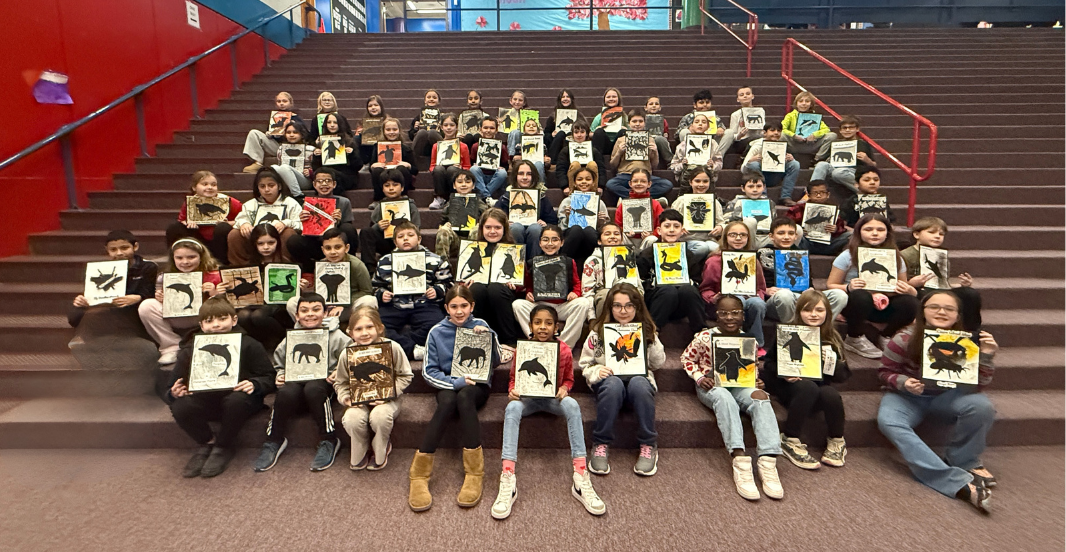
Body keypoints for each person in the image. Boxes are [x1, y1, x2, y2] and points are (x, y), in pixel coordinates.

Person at [877, 290, 999, 513]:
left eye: (949, 308)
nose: (941, 312)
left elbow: (978, 385)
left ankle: (964, 460)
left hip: (947, 397)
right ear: (923, 311)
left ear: (958, 315)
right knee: (889, 421)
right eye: (934, 307)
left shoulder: (968, 341)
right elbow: (884, 372)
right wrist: (904, 382)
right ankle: (956, 482)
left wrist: (987, 356)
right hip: (907, 398)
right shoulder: (904, 338)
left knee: (982, 406)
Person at [491, 305, 605, 520]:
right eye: (537, 322)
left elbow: (569, 379)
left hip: (553, 400)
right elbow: (514, 378)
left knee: (572, 405)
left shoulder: (564, 350)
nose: (543, 327)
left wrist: (565, 388)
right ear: (530, 326)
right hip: (528, 400)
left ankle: (581, 473)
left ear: (556, 327)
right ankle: (507, 475)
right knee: (512, 408)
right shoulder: (522, 350)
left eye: (548, 323)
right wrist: (512, 391)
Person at [681, 294, 784, 501]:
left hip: (740, 385)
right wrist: (699, 377)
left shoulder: (748, 340)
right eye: (724, 313)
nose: (730, 318)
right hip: (712, 385)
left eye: (735, 313)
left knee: (760, 397)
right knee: (724, 399)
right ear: (716, 316)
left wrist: (756, 381)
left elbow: (750, 367)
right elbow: (686, 359)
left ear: (743, 316)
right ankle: (740, 459)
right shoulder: (704, 337)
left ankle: (768, 459)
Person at [408, 285, 502, 512]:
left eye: (464, 306)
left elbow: (497, 361)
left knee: (465, 398)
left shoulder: (482, 324)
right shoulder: (436, 332)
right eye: (454, 306)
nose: (459, 311)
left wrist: (488, 338)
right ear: (446, 308)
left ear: (472, 306)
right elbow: (429, 371)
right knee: (449, 401)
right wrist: (454, 382)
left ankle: (474, 473)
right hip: (448, 383)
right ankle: (419, 473)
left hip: (476, 385)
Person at [166, 297, 276, 478]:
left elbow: (269, 377)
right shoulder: (190, 349)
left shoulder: (250, 344)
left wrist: (255, 384)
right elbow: (170, 386)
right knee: (180, 405)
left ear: (234, 320)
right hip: (205, 401)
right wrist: (174, 392)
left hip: (240, 402)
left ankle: (223, 446)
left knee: (236, 400)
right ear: (201, 326)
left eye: (222, 319)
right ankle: (207, 442)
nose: (216, 325)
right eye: (209, 321)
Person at [253, 292, 354, 473]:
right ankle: (273, 440)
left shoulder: (339, 337)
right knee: (285, 392)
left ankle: (329, 439)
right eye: (304, 310)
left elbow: (350, 361)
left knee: (313, 388)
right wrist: (280, 375)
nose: (310, 314)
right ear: (297, 315)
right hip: (297, 384)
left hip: (323, 387)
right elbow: (279, 363)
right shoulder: (291, 338)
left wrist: (337, 374)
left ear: (325, 313)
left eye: (316, 309)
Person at [578, 283, 665, 476]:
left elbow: (658, 363)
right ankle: (601, 443)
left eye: (629, 306)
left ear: (637, 307)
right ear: (610, 307)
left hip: (637, 383)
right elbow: (585, 363)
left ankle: (648, 444)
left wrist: (652, 337)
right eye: (617, 306)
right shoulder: (597, 332)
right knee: (613, 384)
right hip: (608, 384)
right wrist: (597, 370)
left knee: (640, 383)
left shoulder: (645, 330)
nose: (623, 311)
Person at [762, 289, 851, 469]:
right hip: (789, 387)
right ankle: (790, 438)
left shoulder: (832, 337)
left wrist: (832, 362)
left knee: (831, 394)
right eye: (807, 310)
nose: (813, 314)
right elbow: (768, 364)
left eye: (819, 310)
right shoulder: (786, 332)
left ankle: (836, 440)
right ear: (799, 312)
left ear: (827, 312)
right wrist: (783, 372)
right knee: (808, 387)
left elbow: (843, 376)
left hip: (818, 387)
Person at [826, 214, 920, 359]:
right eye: (868, 229)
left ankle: (887, 335)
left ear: (888, 233)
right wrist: (849, 287)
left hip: (884, 303)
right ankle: (854, 337)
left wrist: (909, 290)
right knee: (861, 296)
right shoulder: (847, 255)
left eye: (880, 230)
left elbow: (903, 285)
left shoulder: (897, 257)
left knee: (911, 302)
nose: (875, 233)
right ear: (859, 232)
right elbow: (830, 285)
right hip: (857, 306)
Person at [335, 307, 414, 470]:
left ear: (379, 328)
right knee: (351, 418)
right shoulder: (346, 354)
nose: (364, 333)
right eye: (358, 329)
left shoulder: (392, 347)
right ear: (350, 332)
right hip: (359, 400)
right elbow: (340, 383)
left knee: (380, 416)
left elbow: (406, 376)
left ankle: (380, 448)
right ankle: (361, 448)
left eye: (369, 327)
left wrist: (389, 393)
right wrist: (346, 398)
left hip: (388, 400)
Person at [372, 221, 453, 360]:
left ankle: (403, 344)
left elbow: (448, 284)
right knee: (376, 327)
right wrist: (381, 294)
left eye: (410, 235)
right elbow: (375, 286)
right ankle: (413, 350)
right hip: (394, 305)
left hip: (425, 304)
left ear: (419, 239)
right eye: (400, 236)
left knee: (439, 326)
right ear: (395, 242)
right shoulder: (385, 261)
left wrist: (437, 291)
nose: (405, 239)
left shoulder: (435, 260)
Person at [138, 238, 223, 365]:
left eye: (191, 257)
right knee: (147, 305)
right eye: (179, 258)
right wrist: (161, 298)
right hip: (177, 316)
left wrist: (214, 294)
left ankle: (208, 342)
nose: (185, 262)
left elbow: (227, 306)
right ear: (173, 259)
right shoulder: (165, 276)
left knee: (218, 305)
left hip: (203, 317)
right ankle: (171, 347)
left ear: (201, 257)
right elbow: (160, 295)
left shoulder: (215, 275)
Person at [511, 225, 593, 350]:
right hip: (540, 305)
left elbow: (577, 283)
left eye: (555, 240)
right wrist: (529, 293)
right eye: (545, 239)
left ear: (562, 242)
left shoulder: (569, 262)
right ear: (540, 243)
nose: (550, 243)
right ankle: (535, 341)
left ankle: (563, 346)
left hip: (562, 306)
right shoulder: (532, 262)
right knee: (518, 304)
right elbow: (529, 285)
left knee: (583, 303)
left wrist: (575, 293)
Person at [458, 209, 525, 353]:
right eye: (488, 227)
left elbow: (522, 282)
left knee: (495, 288)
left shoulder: (513, 250)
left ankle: (509, 341)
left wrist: (514, 284)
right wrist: (465, 284)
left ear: (504, 229)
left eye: (497, 227)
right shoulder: (472, 249)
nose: (492, 231)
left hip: (501, 297)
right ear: (481, 228)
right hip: (480, 294)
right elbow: (461, 280)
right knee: (476, 288)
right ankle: (476, 337)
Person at [757, 217, 848, 323]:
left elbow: (808, 282)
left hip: (801, 298)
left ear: (796, 236)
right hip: (777, 300)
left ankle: (822, 327)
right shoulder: (762, 253)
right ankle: (793, 329)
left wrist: (810, 289)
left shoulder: (800, 254)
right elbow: (755, 284)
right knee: (785, 295)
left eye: (791, 233)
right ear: (771, 236)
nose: (786, 237)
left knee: (840, 295)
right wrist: (766, 290)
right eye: (781, 233)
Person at [901, 216, 982, 331]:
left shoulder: (941, 256)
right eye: (931, 232)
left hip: (938, 289)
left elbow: (941, 282)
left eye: (941, 234)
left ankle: (970, 331)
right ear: (916, 234)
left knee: (970, 293)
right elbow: (898, 282)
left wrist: (962, 285)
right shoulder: (905, 255)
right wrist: (911, 283)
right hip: (916, 290)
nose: (937, 236)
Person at [637, 209, 707, 339]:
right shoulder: (647, 254)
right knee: (668, 290)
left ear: (682, 231)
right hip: (658, 302)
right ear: (659, 230)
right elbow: (641, 280)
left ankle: (701, 332)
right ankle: (652, 332)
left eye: (676, 226)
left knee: (688, 290)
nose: (671, 230)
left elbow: (696, 280)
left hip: (681, 303)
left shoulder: (688, 255)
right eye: (667, 226)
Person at [70, 230, 158, 333]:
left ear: (135, 246)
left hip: (134, 309)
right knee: (76, 313)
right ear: (107, 250)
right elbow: (93, 293)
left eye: (124, 248)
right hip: (109, 307)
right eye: (113, 249)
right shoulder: (100, 269)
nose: (119, 253)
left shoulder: (148, 267)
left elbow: (151, 293)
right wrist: (83, 300)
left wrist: (139, 297)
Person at [700, 220, 768, 353]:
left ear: (748, 238)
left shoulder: (753, 260)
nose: (738, 238)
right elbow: (705, 289)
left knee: (758, 303)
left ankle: (756, 344)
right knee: (737, 301)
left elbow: (761, 288)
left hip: (749, 298)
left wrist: (757, 295)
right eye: (733, 235)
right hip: (722, 303)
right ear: (725, 237)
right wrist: (714, 297)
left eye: (743, 235)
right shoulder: (713, 261)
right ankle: (735, 342)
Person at [288, 228, 376, 325]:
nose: (333, 252)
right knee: (292, 302)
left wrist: (343, 305)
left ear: (346, 248)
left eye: (337, 247)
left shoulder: (357, 265)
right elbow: (320, 293)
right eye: (328, 248)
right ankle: (307, 327)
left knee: (370, 300)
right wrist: (305, 289)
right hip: (323, 308)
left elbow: (367, 291)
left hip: (348, 308)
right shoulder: (321, 265)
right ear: (323, 250)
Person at [227, 167, 303, 266]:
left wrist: (285, 223)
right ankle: (242, 266)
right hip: (256, 240)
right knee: (234, 234)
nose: (267, 190)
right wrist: (244, 223)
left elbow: (301, 224)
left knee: (289, 232)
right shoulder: (251, 204)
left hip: (278, 241)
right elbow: (240, 219)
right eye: (262, 186)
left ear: (279, 186)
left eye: (271, 185)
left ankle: (283, 266)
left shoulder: (290, 203)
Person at [236, 224, 294, 352]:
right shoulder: (248, 266)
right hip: (254, 304)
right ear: (254, 244)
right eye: (260, 243)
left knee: (258, 316)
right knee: (243, 315)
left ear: (277, 243)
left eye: (271, 243)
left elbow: (290, 293)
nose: (266, 247)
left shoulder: (286, 263)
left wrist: (300, 285)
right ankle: (258, 344)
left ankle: (282, 338)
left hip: (278, 306)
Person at [287, 167, 357, 272]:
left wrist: (339, 221)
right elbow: (304, 232)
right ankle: (309, 269)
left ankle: (349, 263)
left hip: (336, 243)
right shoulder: (308, 203)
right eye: (319, 181)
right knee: (293, 241)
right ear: (314, 185)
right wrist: (303, 221)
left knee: (348, 228)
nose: (324, 184)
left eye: (328, 181)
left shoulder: (344, 202)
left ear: (334, 184)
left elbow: (349, 229)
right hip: (316, 242)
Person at [166, 171, 241, 264]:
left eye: (213, 185)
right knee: (174, 228)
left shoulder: (230, 202)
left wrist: (228, 223)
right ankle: (177, 262)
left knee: (223, 228)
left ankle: (221, 264)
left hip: (220, 240)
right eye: (205, 184)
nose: (210, 187)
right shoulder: (190, 203)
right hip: (199, 238)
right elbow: (181, 220)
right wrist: (188, 222)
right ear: (194, 187)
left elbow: (244, 219)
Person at [359, 169, 422, 272]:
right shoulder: (379, 207)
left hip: (405, 241)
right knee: (366, 232)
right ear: (382, 189)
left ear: (402, 187)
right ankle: (370, 269)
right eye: (387, 185)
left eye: (395, 185)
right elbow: (371, 229)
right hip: (386, 242)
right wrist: (378, 226)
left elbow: (417, 228)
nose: (391, 188)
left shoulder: (411, 206)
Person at [495, 160, 559, 259]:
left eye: (529, 174)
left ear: (534, 177)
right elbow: (494, 218)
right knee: (516, 227)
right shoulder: (506, 197)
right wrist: (505, 223)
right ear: (515, 176)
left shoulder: (541, 197)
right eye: (521, 173)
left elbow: (553, 221)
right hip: (514, 231)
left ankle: (534, 264)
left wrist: (545, 224)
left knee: (535, 228)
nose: (525, 177)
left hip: (535, 233)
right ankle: (517, 263)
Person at [605, 109, 672, 200]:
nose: (637, 124)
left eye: (640, 121)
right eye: (634, 121)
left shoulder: (650, 140)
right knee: (611, 184)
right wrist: (619, 152)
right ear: (629, 123)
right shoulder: (621, 140)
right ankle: (639, 197)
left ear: (644, 123)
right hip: (626, 175)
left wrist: (655, 152)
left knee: (667, 184)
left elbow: (654, 166)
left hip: (645, 175)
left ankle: (634, 197)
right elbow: (612, 165)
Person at [809, 115, 876, 195]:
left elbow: (874, 165)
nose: (847, 130)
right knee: (821, 164)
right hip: (835, 169)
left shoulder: (863, 144)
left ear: (857, 129)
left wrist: (867, 160)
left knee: (838, 172)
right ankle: (811, 192)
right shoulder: (835, 143)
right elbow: (826, 161)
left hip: (853, 171)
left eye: (851, 127)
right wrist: (829, 159)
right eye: (844, 128)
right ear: (840, 130)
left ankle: (864, 190)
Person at [667, 167, 723, 262]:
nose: (701, 184)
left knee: (717, 249)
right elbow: (670, 220)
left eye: (705, 181)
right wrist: (678, 227)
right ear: (690, 182)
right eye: (697, 181)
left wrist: (720, 227)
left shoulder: (714, 202)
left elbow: (721, 222)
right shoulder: (681, 201)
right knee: (702, 247)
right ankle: (685, 264)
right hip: (686, 239)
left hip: (708, 239)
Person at [558, 166, 609, 265]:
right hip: (571, 237)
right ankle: (563, 265)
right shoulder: (567, 201)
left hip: (591, 239)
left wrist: (601, 222)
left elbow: (606, 228)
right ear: (574, 183)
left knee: (589, 230)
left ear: (593, 182)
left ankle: (595, 264)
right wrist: (568, 217)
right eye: (580, 179)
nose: (584, 182)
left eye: (588, 179)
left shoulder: (599, 202)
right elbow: (560, 227)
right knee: (576, 229)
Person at [740, 122, 802, 205]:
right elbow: (743, 168)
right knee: (753, 164)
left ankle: (785, 197)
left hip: (776, 176)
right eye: (772, 130)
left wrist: (790, 159)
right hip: (759, 177)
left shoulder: (783, 145)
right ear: (764, 133)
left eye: (779, 131)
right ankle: (763, 195)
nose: (776, 133)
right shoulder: (757, 145)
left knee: (795, 164)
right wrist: (750, 161)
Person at [243, 92, 305, 173]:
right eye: (279, 101)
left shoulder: (296, 118)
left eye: (284, 101)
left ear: (290, 103)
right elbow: (270, 131)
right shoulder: (273, 117)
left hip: (291, 147)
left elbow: (305, 134)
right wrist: (270, 134)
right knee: (253, 133)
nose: (281, 103)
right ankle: (258, 163)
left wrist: (292, 128)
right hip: (276, 146)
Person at [580, 222, 632, 319]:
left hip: (627, 292)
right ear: (599, 241)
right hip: (602, 295)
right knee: (606, 294)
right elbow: (587, 292)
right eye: (607, 234)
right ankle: (602, 325)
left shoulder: (629, 258)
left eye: (616, 234)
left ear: (621, 239)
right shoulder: (592, 261)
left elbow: (638, 287)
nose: (612, 237)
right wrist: (591, 317)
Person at [786, 179, 852, 256]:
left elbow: (842, 228)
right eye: (815, 193)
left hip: (829, 244)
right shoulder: (798, 208)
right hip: (806, 243)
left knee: (850, 235)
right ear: (808, 195)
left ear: (828, 194)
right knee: (796, 230)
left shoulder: (833, 209)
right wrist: (800, 230)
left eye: (822, 193)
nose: (818, 196)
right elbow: (786, 225)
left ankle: (844, 256)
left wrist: (836, 229)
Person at [437, 170, 490, 258]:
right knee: (443, 230)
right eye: (460, 182)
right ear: (454, 185)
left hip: (473, 238)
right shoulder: (450, 203)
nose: (464, 185)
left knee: (477, 229)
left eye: (468, 182)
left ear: (473, 185)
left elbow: (487, 219)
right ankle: (442, 263)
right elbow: (442, 221)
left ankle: (473, 261)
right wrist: (445, 225)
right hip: (456, 240)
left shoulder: (480, 203)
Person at [369, 117, 417, 211]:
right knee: (376, 170)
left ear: (399, 130)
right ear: (383, 131)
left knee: (402, 168)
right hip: (384, 174)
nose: (391, 132)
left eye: (394, 129)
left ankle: (403, 196)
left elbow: (415, 170)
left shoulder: (406, 148)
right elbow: (371, 167)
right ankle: (378, 199)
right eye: (388, 130)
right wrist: (373, 166)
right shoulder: (377, 147)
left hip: (400, 175)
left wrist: (408, 165)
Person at [428, 113, 472, 210]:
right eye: (446, 125)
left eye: (452, 125)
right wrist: (435, 168)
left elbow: (467, 166)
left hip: (455, 173)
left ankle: (453, 199)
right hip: (441, 173)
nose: (448, 128)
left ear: (456, 127)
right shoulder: (436, 146)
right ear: (441, 127)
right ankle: (440, 198)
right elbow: (432, 166)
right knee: (438, 169)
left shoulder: (463, 146)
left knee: (452, 169)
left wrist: (461, 168)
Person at [310, 112, 363, 192]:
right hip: (326, 177)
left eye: (335, 122)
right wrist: (316, 156)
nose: (332, 125)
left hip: (346, 176)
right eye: (329, 122)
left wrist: (351, 154)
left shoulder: (350, 141)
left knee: (331, 176)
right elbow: (316, 168)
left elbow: (358, 166)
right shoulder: (321, 141)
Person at [669, 113, 723, 191]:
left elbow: (719, 164)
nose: (700, 124)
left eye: (703, 122)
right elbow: (673, 166)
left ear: (708, 127)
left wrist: (712, 165)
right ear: (691, 126)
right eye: (697, 122)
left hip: (707, 176)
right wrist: (682, 164)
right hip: (687, 177)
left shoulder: (713, 144)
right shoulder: (683, 145)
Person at [722, 172, 776, 248]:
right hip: (744, 238)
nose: (755, 190)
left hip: (766, 237)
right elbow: (726, 223)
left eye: (759, 186)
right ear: (743, 188)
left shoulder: (770, 203)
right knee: (750, 221)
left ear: (764, 187)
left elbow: (774, 223)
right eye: (750, 186)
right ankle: (749, 251)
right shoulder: (735, 202)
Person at [552, 120, 606, 193]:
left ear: (587, 134)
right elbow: (560, 169)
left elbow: (601, 168)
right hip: (572, 183)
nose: (579, 135)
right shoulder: (565, 150)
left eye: (582, 132)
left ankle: (593, 192)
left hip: (590, 181)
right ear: (572, 134)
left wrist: (600, 186)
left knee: (592, 164)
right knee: (575, 164)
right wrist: (565, 186)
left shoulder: (594, 150)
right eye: (576, 132)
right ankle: (572, 192)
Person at [614, 169, 663, 244]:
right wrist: (625, 231)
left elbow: (661, 224)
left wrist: (652, 234)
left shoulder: (655, 204)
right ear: (630, 184)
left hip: (648, 240)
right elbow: (618, 225)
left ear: (649, 184)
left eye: (643, 181)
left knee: (652, 239)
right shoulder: (624, 205)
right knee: (619, 236)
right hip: (628, 240)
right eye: (635, 181)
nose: (639, 184)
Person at [781, 91, 837, 159]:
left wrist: (814, 135)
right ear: (796, 103)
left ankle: (817, 158)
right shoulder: (790, 116)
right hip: (794, 145)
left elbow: (826, 129)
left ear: (811, 104)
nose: (804, 103)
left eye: (807, 101)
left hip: (811, 144)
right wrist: (794, 135)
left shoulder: (815, 117)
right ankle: (785, 157)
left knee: (832, 135)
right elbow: (782, 129)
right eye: (801, 101)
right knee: (781, 135)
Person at [468, 116, 511, 200]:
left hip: (494, 177)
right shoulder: (475, 146)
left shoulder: (501, 147)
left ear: (496, 130)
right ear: (480, 129)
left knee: (502, 173)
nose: (488, 130)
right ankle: (487, 197)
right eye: (485, 128)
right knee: (473, 169)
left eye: (492, 128)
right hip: (480, 177)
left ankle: (484, 196)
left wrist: (502, 168)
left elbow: (505, 164)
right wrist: (475, 164)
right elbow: (471, 161)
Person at [717, 85, 764, 159]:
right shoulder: (735, 114)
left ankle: (745, 158)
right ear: (738, 99)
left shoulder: (760, 111)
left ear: (752, 96)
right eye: (742, 95)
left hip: (758, 139)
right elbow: (732, 135)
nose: (745, 96)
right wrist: (740, 135)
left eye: (748, 94)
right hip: (741, 141)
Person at [271, 120, 314, 198]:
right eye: (288, 132)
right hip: (286, 178)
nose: (291, 135)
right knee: (273, 167)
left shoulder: (311, 149)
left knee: (284, 167)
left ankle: (298, 195)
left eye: (295, 132)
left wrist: (310, 172)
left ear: (302, 134)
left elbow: (317, 168)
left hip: (304, 180)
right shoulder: (281, 149)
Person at [410, 89, 444, 171]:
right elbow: (411, 136)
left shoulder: (443, 116)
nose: (431, 99)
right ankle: (414, 161)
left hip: (436, 144)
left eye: (434, 97)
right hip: (422, 147)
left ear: (439, 101)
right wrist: (415, 129)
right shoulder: (419, 117)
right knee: (422, 133)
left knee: (432, 133)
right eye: (429, 97)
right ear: (425, 100)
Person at [590, 88, 628, 157]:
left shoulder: (624, 117)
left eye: (614, 96)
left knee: (623, 132)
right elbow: (590, 134)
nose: (611, 99)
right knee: (599, 132)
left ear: (618, 99)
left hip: (619, 145)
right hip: (604, 144)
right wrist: (597, 130)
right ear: (604, 100)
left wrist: (626, 130)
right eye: (608, 97)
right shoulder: (599, 117)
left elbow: (632, 133)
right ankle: (598, 160)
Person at [355, 95, 388, 166]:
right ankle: (363, 163)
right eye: (370, 106)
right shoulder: (362, 122)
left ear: (381, 107)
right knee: (356, 139)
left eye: (376, 105)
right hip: (368, 149)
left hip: (382, 147)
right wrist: (361, 133)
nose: (373, 108)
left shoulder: (388, 121)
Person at [642, 95, 672, 165]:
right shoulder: (641, 120)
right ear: (645, 107)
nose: (654, 106)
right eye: (651, 104)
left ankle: (670, 161)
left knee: (660, 139)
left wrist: (666, 134)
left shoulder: (663, 121)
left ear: (660, 107)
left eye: (656, 104)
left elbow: (666, 131)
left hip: (658, 141)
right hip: (646, 140)